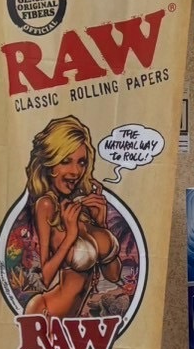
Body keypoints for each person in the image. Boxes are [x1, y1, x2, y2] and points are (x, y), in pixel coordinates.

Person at [22, 116, 122, 319]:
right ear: (50, 163)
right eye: (66, 161)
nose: (76, 171)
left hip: (73, 321)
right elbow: (45, 278)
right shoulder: (46, 205)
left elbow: (114, 275)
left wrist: (101, 224)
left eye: (81, 162)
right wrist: (70, 236)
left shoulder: (82, 207)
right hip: (46, 312)